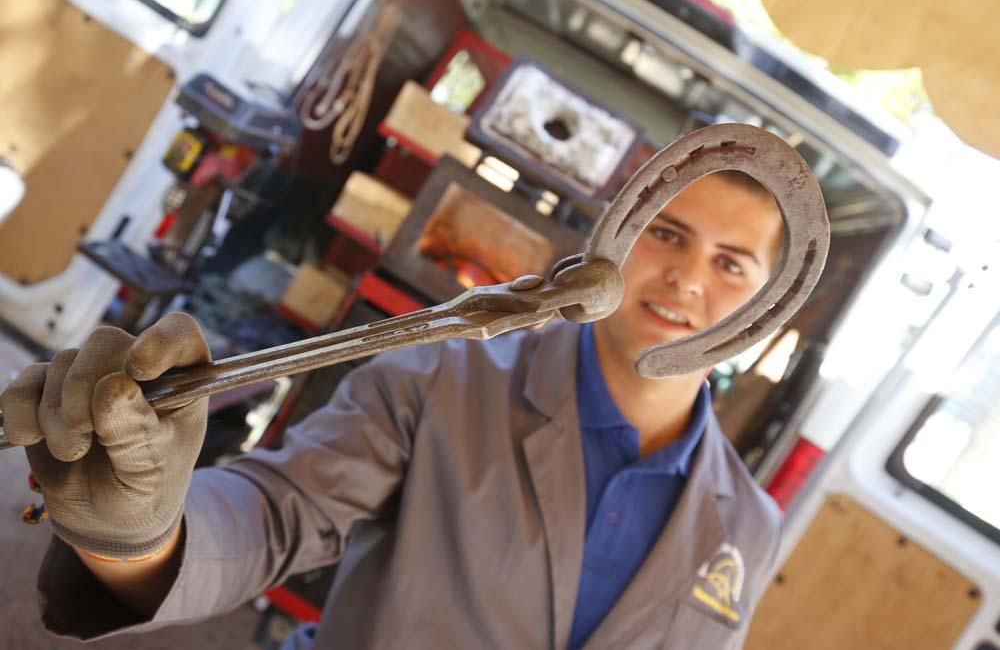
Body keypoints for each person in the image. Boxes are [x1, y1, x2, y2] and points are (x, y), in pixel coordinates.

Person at [1, 169, 785, 649]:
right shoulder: (451, 374)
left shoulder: (747, 525)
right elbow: (277, 511)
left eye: (731, 263)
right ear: (614, 236)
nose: (687, 278)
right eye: (668, 234)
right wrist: (139, 531)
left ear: (767, 308)